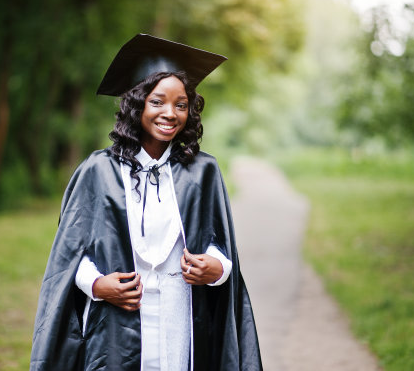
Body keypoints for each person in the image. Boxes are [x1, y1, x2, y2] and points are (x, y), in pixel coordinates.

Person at [30, 34, 262, 371]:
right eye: (158, 101)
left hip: (180, 318)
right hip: (114, 324)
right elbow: (68, 257)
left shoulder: (202, 171)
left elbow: (221, 250)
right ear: (137, 103)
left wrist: (216, 270)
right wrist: (97, 285)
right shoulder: (99, 170)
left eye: (181, 104)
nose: (170, 113)